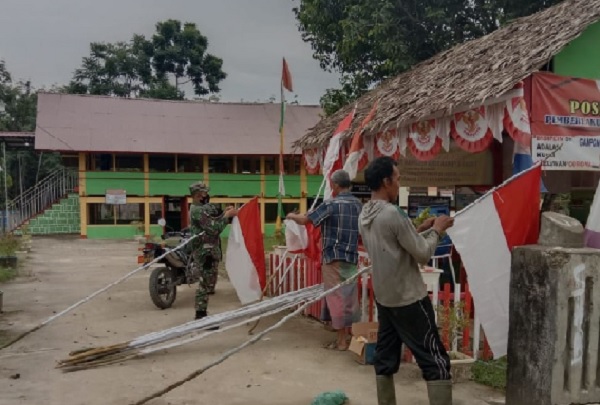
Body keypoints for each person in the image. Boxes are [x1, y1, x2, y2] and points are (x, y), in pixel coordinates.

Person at [358, 157, 455, 405]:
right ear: (386, 181)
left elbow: (393, 244)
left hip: (386, 298)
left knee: (385, 358)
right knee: (435, 361)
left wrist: (417, 229)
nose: (399, 184)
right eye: (397, 179)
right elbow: (422, 253)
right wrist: (437, 230)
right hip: (409, 299)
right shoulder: (392, 213)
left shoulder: (366, 214)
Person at [286, 169, 362, 351]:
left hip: (333, 257)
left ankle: (341, 341)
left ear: (335, 185)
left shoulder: (330, 204)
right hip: (351, 257)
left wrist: (291, 216)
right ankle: (348, 335)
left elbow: (305, 220)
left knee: (336, 296)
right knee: (349, 295)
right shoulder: (359, 205)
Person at [188, 182, 238, 320]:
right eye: (204, 193)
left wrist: (224, 214)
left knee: (208, 284)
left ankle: (202, 313)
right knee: (204, 284)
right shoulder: (197, 210)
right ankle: (200, 315)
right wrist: (227, 216)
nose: (207, 195)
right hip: (205, 253)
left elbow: (214, 219)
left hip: (208, 251)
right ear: (198, 195)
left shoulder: (201, 208)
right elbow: (213, 228)